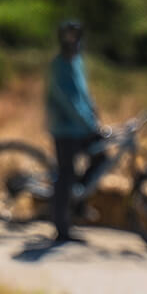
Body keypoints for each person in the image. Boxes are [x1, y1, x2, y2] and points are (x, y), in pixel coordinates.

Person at [46, 20, 106, 243]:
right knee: (66, 174)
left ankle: (78, 202)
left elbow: (83, 93)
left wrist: (94, 112)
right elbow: (69, 103)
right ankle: (61, 229)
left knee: (101, 156)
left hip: (83, 126)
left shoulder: (78, 62)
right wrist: (89, 123)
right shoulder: (58, 66)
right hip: (64, 128)